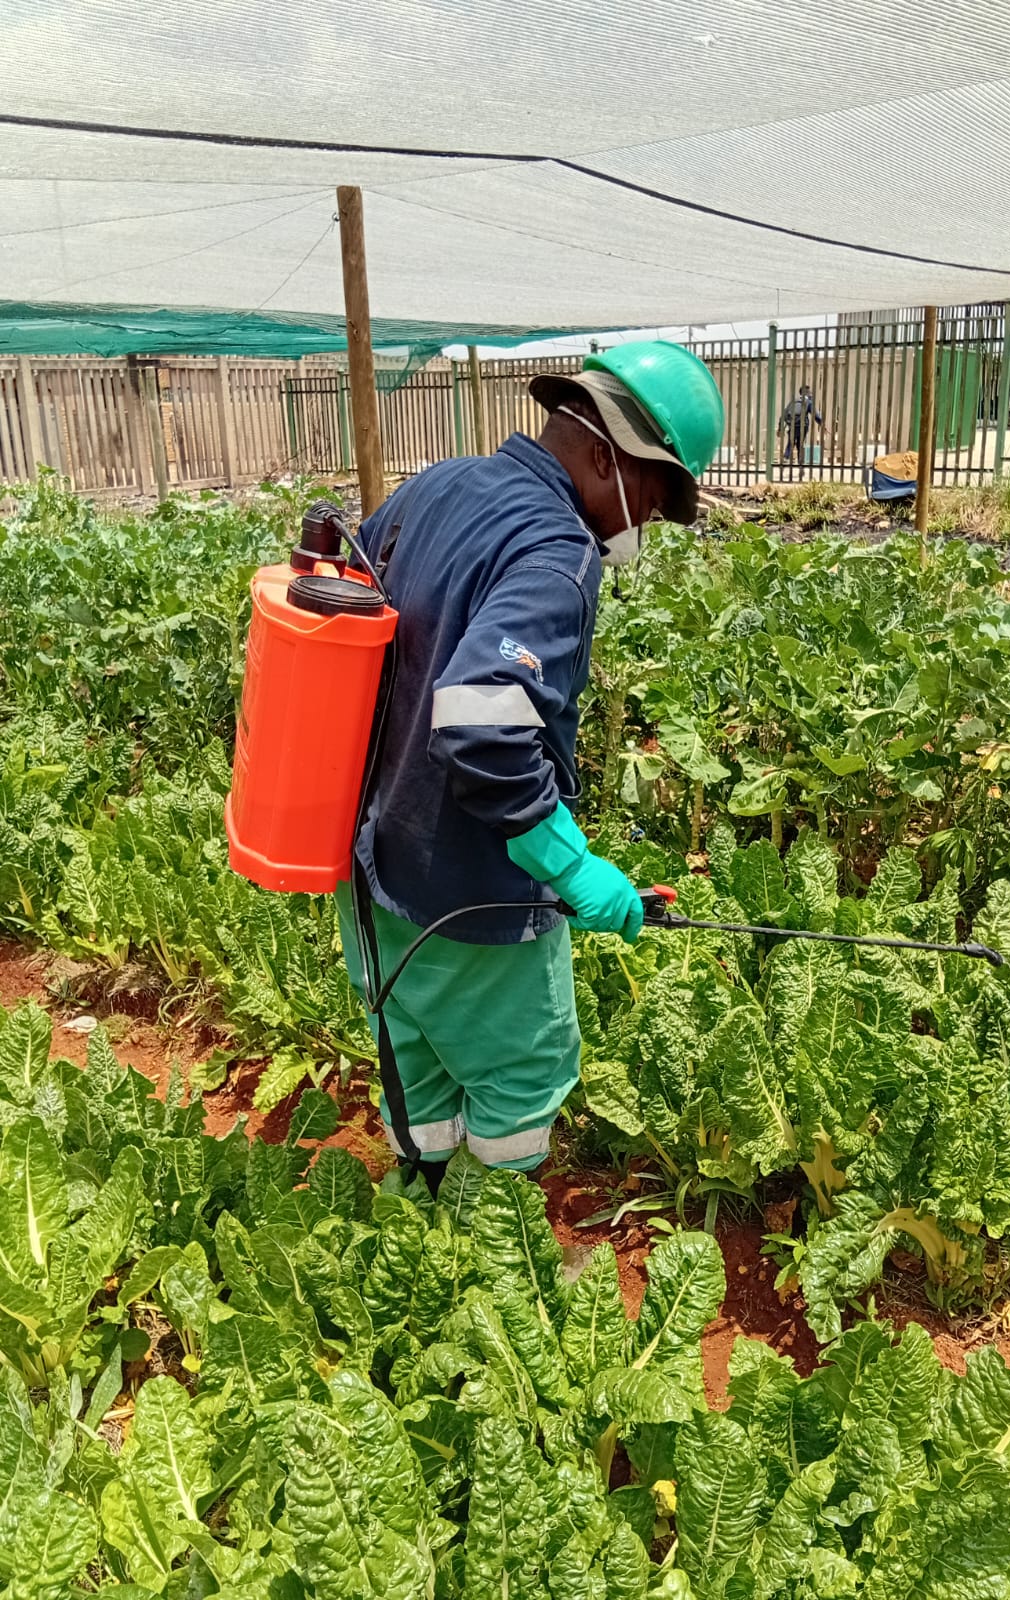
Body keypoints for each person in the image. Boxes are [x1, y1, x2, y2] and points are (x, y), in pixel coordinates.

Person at [337, 342, 725, 1192]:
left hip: (370, 872)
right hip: (471, 898)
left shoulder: (436, 485)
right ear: (602, 455)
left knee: (420, 1082)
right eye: (652, 500)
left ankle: (418, 1231)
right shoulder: (558, 552)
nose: (641, 527)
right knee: (518, 1094)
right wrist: (570, 865)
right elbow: (482, 724)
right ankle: (491, 1257)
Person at [780, 384, 822, 471]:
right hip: (803, 426)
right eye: (810, 392)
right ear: (806, 393)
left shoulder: (793, 401)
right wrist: (822, 424)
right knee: (800, 444)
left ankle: (786, 458)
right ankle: (800, 464)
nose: (811, 394)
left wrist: (780, 427)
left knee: (790, 442)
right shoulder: (808, 402)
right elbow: (816, 415)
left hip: (792, 425)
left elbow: (784, 414)